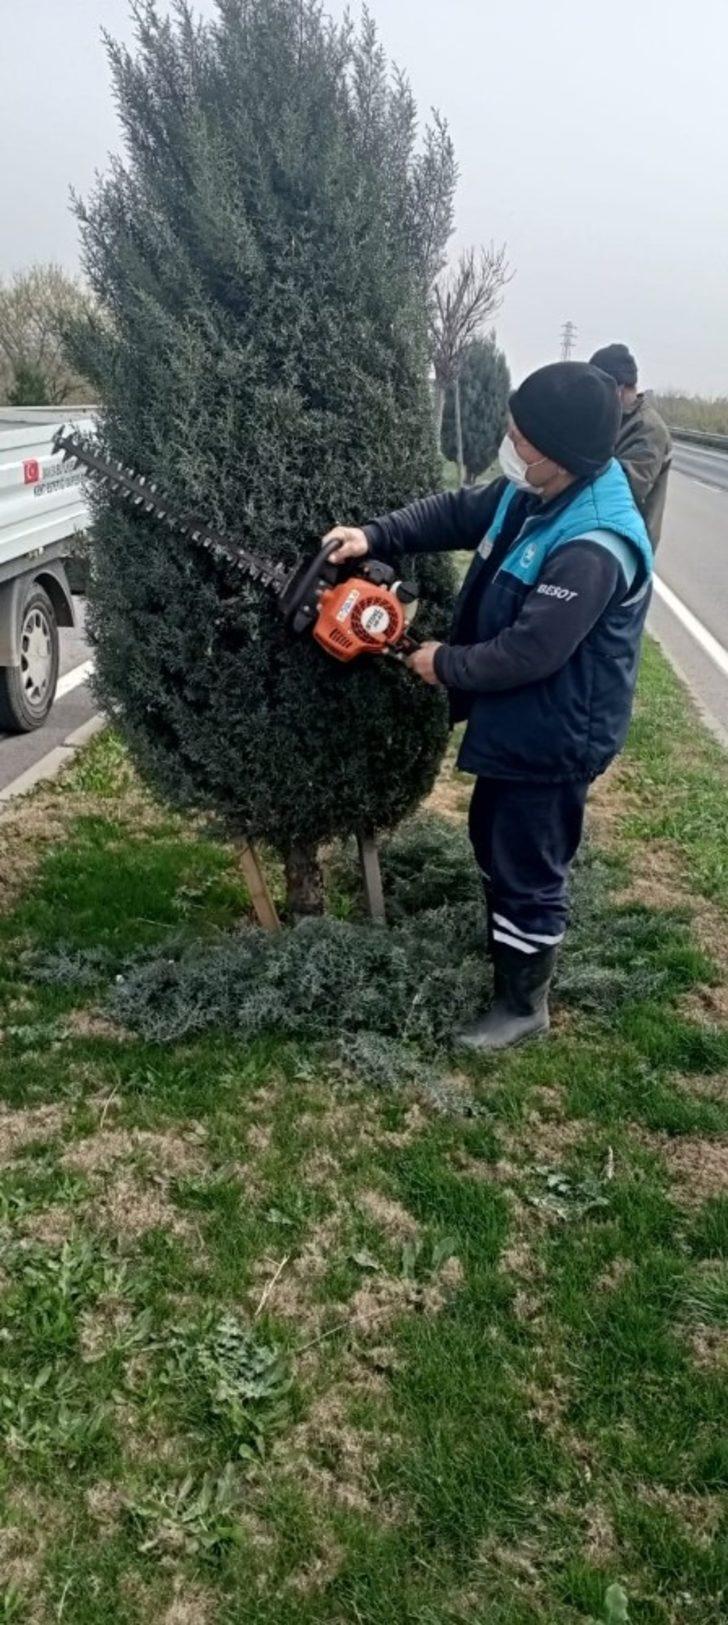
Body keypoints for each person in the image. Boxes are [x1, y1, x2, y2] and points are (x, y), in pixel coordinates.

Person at [323, 361, 653, 1052]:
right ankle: (506, 947)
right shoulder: (536, 489)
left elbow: (531, 651)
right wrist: (375, 535)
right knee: (492, 833)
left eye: (518, 435)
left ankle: (522, 1004)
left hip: (559, 727)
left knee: (528, 857)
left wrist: (442, 662)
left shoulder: (592, 544)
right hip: (523, 717)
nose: (508, 440)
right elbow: (459, 511)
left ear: (559, 455)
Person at [589, 343, 672, 550]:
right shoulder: (609, 416)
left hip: (623, 546)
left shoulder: (648, 430)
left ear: (617, 389)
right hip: (596, 533)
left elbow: (623, 488)